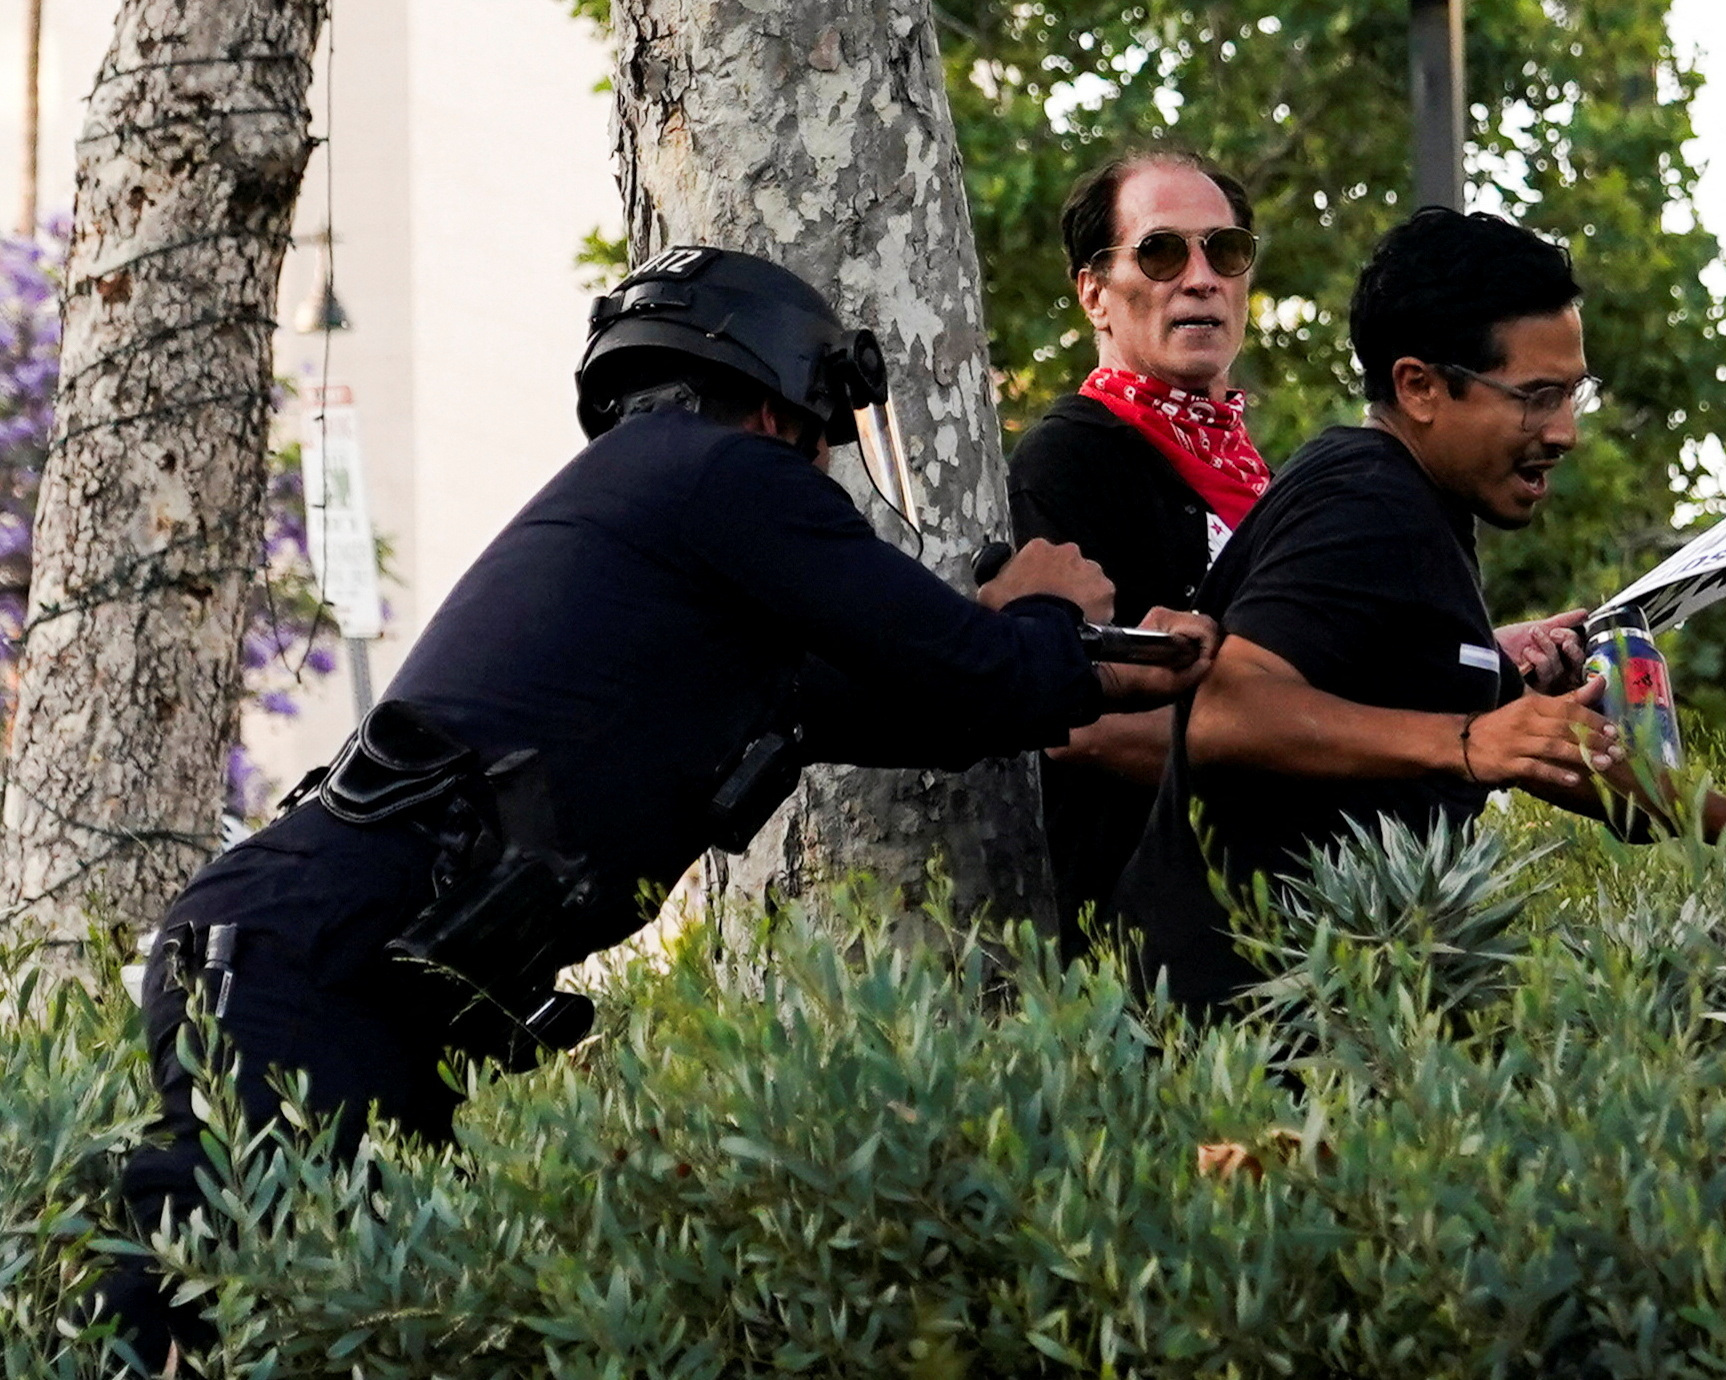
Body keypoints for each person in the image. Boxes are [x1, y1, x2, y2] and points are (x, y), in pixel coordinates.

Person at [103, 246, 1217, 1369]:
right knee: (198, 1312)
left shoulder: (673, 537)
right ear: (791, 404)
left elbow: (938, 706)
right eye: (824, 430)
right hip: (318, 966)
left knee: (335, 1328)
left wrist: (1091, 664)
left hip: (343, 970)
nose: (825, 458)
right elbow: (983, 671)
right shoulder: (723, 477)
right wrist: (1041, 606)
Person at [1111, 207, 1726, 1020]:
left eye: (1573, 395)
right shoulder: (1367, 501)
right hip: (1249, 1033)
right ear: (1419, 387)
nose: (1564, 433)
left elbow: (1551, 755)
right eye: (1536, 398)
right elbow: (1226, 712)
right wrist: (1469, 741)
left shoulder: (1418, 507)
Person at [1005, 151, 1270, 949]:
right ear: (1094, 293)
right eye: (1160, 253)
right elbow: (1066, 720)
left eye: (1224, 251)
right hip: (1139, 956)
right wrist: (1310, 760)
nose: (1200, 278)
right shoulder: (1070, 460)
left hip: (1274, 933)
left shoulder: (1259, 478)